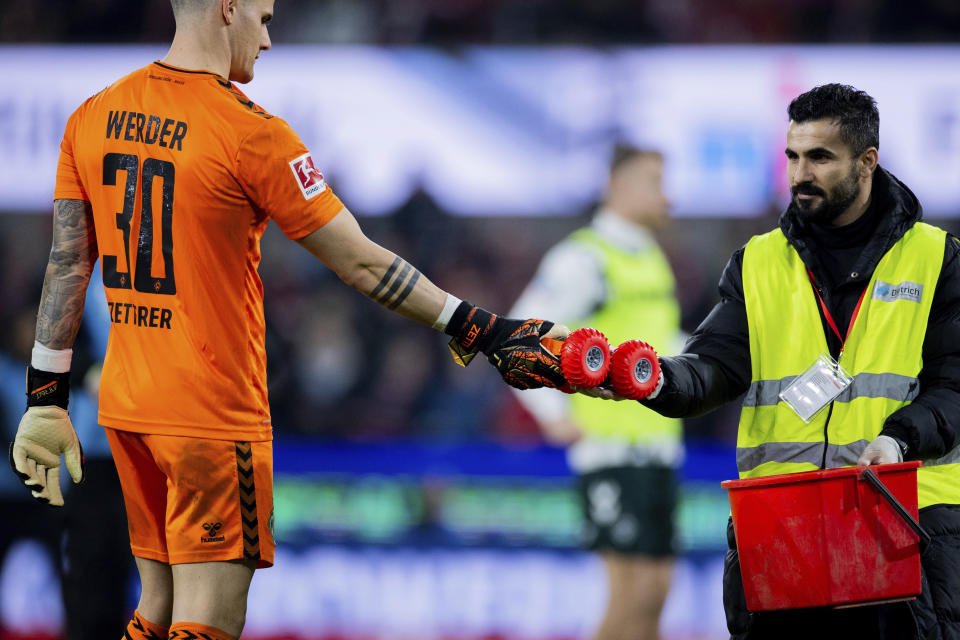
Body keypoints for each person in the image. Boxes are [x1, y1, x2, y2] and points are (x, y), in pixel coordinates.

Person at [7, 2, 569, 640]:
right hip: (211, 416)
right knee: (206, 622)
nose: (268, 40)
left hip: (127, 410)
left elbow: (66, 265)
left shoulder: (92, 115)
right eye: (265, 17)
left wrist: (45, 399)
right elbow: (360, 262)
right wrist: (478, 327)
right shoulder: (252, 133)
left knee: (155, 609)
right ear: (228, 8)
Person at [590, 84, 960, 639]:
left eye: (820, 157)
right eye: (792, 155)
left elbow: (955, 387)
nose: (799, 173)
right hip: (785, 541)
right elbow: (712, 367)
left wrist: (899, 441)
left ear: (867, 162)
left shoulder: (938, 259)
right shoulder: (759, 262)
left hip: (904, 533)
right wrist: (652, 380)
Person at [510, 146, 682, 640]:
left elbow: (663, 345)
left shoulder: (649, 256)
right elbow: (523, 333)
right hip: (609, 445)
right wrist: (550, 411)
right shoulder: (585, 257)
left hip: (657, 444)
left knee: (655, 593)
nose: (666, 195)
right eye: (654, 181)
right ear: (619, 186)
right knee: (628, 593)